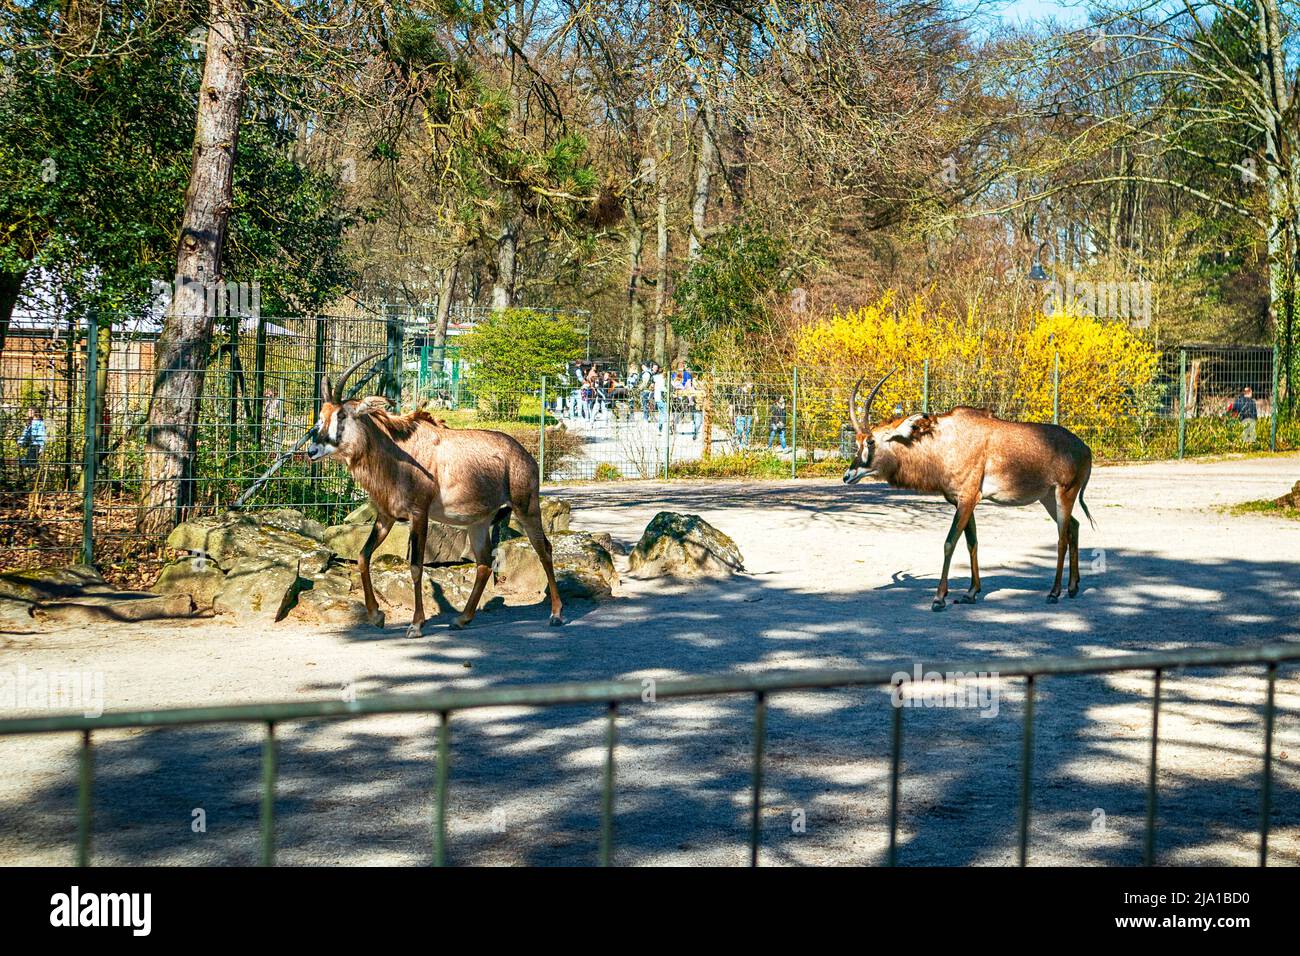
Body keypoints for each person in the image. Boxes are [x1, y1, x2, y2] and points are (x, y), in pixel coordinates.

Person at [18, 408, 46, 484]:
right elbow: (26, 433)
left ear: (35, 412)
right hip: (31, 445)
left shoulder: (39, 423)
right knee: (30, 463)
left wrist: (42, 446)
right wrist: (20, 441)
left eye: (30, 411)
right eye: (28, 411)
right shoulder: (30, 422)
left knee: (31, 463)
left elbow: (42, 435)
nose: (28, 412)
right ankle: (32, 479)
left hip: (36, 445)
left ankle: (35, 480)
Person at [733, 382, 755, 448]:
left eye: (752, 385)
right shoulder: (738, 392)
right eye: (751, 384)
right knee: (740, 429)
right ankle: (738, 443)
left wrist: (756, 415)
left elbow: (754, 405)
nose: (752, 386)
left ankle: (744, 446)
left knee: (747, 430)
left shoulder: (752, 394)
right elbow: (732, 402)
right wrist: (731, 411)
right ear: (746, 384)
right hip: (740, 414)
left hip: (749, 415)